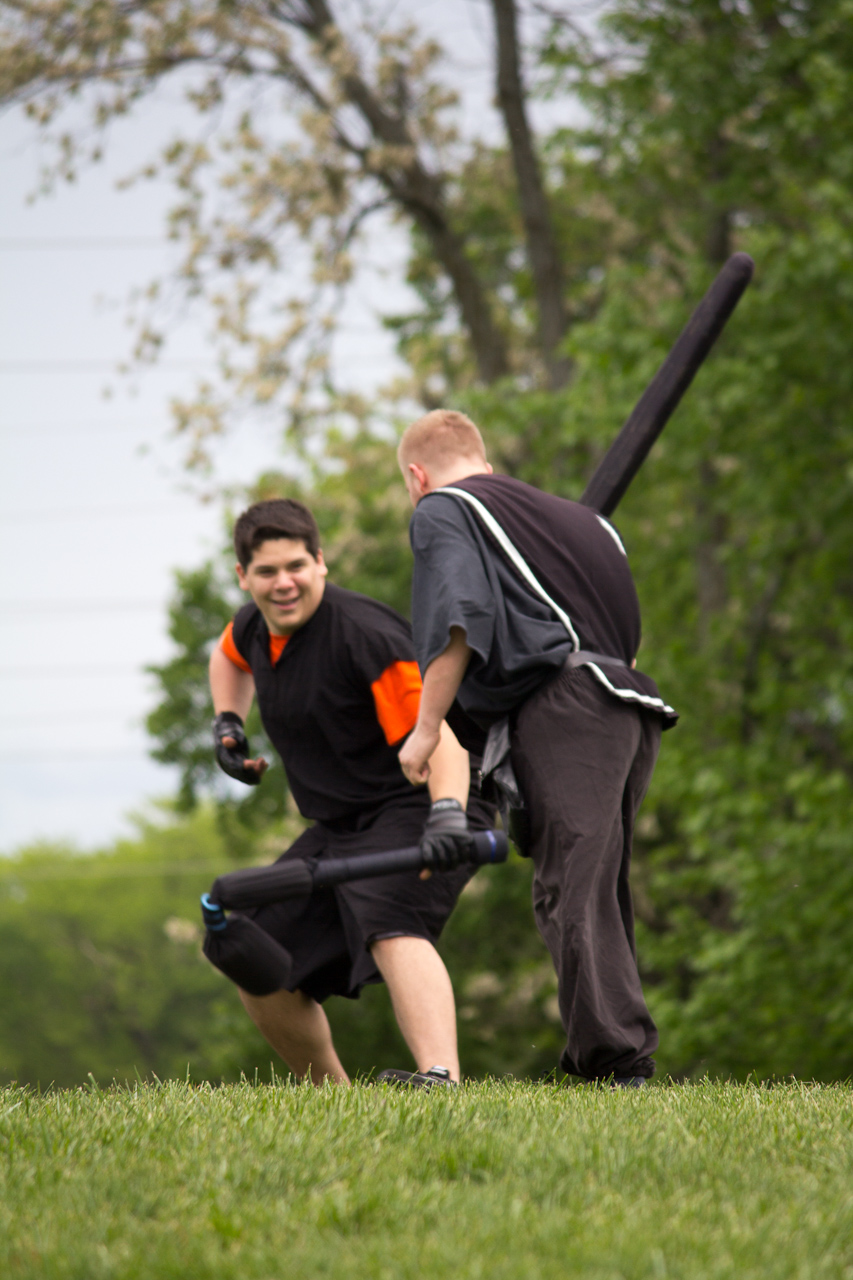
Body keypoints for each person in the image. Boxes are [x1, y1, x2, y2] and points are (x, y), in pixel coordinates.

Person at [396, 410, 677, 1086]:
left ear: (416, 476)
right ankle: (608, 1054)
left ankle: (613, 1063)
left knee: (570, 886)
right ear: (486, 462)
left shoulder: (443, 508)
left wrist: (427, 728)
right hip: (627, 702)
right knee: (594, 884)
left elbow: (461, 617)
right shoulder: (584, 522)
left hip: (568, 704)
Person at [206, 497, 493, 1086]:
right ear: (243, 576)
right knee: (254, 949)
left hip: (423, 799)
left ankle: (441, 1080)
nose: (284, 583)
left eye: (296, 566)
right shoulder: (252, 627)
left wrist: (447, 815)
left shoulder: (363, 636)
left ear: (320, 562)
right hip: (341, 824)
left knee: (388, 914)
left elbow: (438, 738)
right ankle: (332, 1098)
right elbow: (227, 656)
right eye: (267, 571)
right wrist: (228, 723)